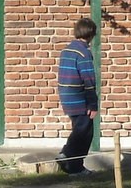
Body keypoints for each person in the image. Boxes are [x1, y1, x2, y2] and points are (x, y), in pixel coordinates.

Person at [57, 17, 99, 176]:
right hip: (80, 98)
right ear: (91, 34)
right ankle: (70, 159)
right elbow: (88, 79)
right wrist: (93, 104)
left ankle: (70, 162)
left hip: (66, 97)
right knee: (84, 134)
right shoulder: (83, 53)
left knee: (79, 130)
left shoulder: (66, 50)